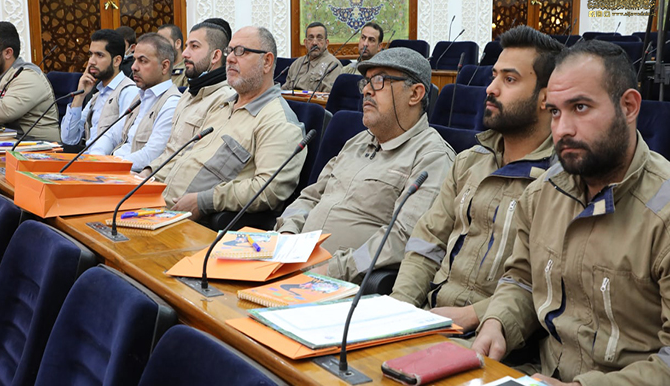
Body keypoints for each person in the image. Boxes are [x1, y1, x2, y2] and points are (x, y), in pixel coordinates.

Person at [472, 40, 670, 385]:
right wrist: (497, 322)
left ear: (629, 106)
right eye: (555, 112)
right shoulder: (542, 194)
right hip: (538, 374)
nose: (562, 129)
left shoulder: (663, 212)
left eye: (580, 107)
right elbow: (521, 279)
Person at [390, 26, 563, 333]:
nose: (490, 88)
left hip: (497, 336)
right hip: (428, 319)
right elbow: (427, 242)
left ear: (546, 98)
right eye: (494, 76)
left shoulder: (562, 182)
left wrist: (474, 315)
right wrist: (397, 309)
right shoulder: (469, 162)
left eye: (509, 79)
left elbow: (545, 284)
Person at [275, 47, 455, 283]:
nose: (367, 90)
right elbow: (310, 197)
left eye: (379, 81)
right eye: (366, 82)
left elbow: (403, 238)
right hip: (291, 265)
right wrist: (287, 232)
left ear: (415, 94)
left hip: (340, 284)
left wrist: (330, 270)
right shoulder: (357, 142)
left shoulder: (432, 157)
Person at [162, 26, 306, 223]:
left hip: (188, 223)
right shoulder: (222, 105)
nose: (229, 58)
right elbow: (186, 156)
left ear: (267, 61)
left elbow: (269, 190)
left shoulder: (278, 122)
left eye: (241, 51)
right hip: (157, 207)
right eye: (230, 51)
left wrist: (205, 201)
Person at [139, 18, 235, 179]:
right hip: (158, 177)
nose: (184, 54)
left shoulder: (224, 99)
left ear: (215, 56)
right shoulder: (188, 94)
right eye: (186, 46)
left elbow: (195, 161)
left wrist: (152, 179)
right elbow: (170, 152)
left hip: (178, 186)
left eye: (194, 46)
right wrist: (147, 172)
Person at [88, 33, 180, 172]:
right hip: (114, 167)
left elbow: (151, 155)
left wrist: (109, 165)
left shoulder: (171, 103)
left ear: (165, 66)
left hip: (132, 173)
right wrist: (95, 159)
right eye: (135, 60)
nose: (134, 67)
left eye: (143, 61)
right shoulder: (139, 97)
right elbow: (111, 135)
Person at [0, 21, 59, 141]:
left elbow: (4, 110)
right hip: (9, 142)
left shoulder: (28, 76)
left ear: (8, 53)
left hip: (39, 146)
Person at [60, 29, 138, 147]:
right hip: (88, 156)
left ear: (116, 61)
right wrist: (79, 96)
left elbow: (123, 141)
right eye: (91, 54)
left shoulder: (128, 92)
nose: (91, 61)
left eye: (99, 55)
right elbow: (69, 139)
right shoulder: (97, 95)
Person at [282, 22, 342, 92]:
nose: (314, 43)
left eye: (319, 38)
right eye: (311, 38)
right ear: (305, 43)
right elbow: (284, 91)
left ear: (326, 43)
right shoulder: (296, 64)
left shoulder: (333, 65)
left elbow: (328, 96)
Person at [158, 24, 188, 89]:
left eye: (164, 42)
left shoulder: (188, 71)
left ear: (177, 43)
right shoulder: (157, 70)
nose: (159, 47)